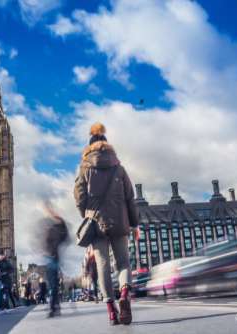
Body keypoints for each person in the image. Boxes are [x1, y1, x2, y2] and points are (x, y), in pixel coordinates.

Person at [74, 122, 138, 326]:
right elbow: (130, 197)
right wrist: (135, 225)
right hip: (120, 221)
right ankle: (125, 292)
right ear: (107, 145)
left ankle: (111, 310)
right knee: (123, 263)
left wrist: (86, 215)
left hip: (96, 223)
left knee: (102, 266)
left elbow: (78, 197)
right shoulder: (119, 167)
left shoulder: (84, 167)